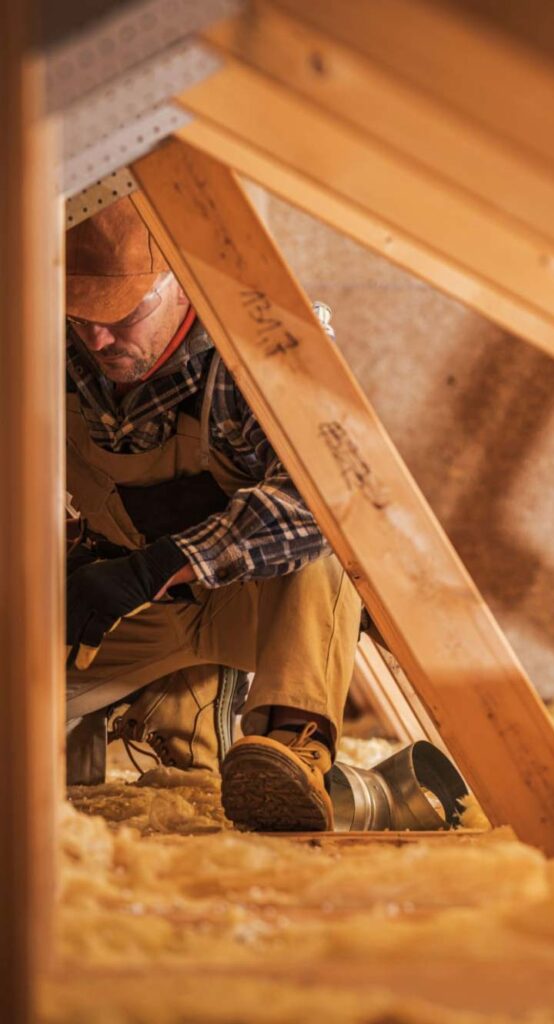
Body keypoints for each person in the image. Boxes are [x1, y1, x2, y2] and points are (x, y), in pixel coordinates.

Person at [64, 197, 361, 831]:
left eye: (121, 315)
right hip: (126, 606)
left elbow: (327, 494)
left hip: (255, 606)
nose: (97, 338)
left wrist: (160, 565)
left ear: (180, 280)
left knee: (328, 533)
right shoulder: (53, 347)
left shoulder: (260, 342)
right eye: (81, 315)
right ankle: (179, 712)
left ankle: (288, 743)